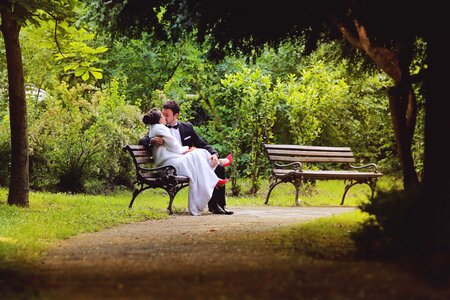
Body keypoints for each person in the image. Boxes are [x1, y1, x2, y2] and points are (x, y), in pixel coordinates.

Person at [140, 100, 234, 215]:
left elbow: (202, 143)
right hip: (175, 165)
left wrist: (213, 154)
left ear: (176, 115)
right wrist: (151, 141)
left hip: (185, 161)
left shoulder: (187, 128)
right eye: (163, 114)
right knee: (204, 163)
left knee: (218, 167)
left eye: (167, 115)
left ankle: (220, 205)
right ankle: (214, 202)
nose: (164, 117)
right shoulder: (159, 128)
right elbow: (142, 140)